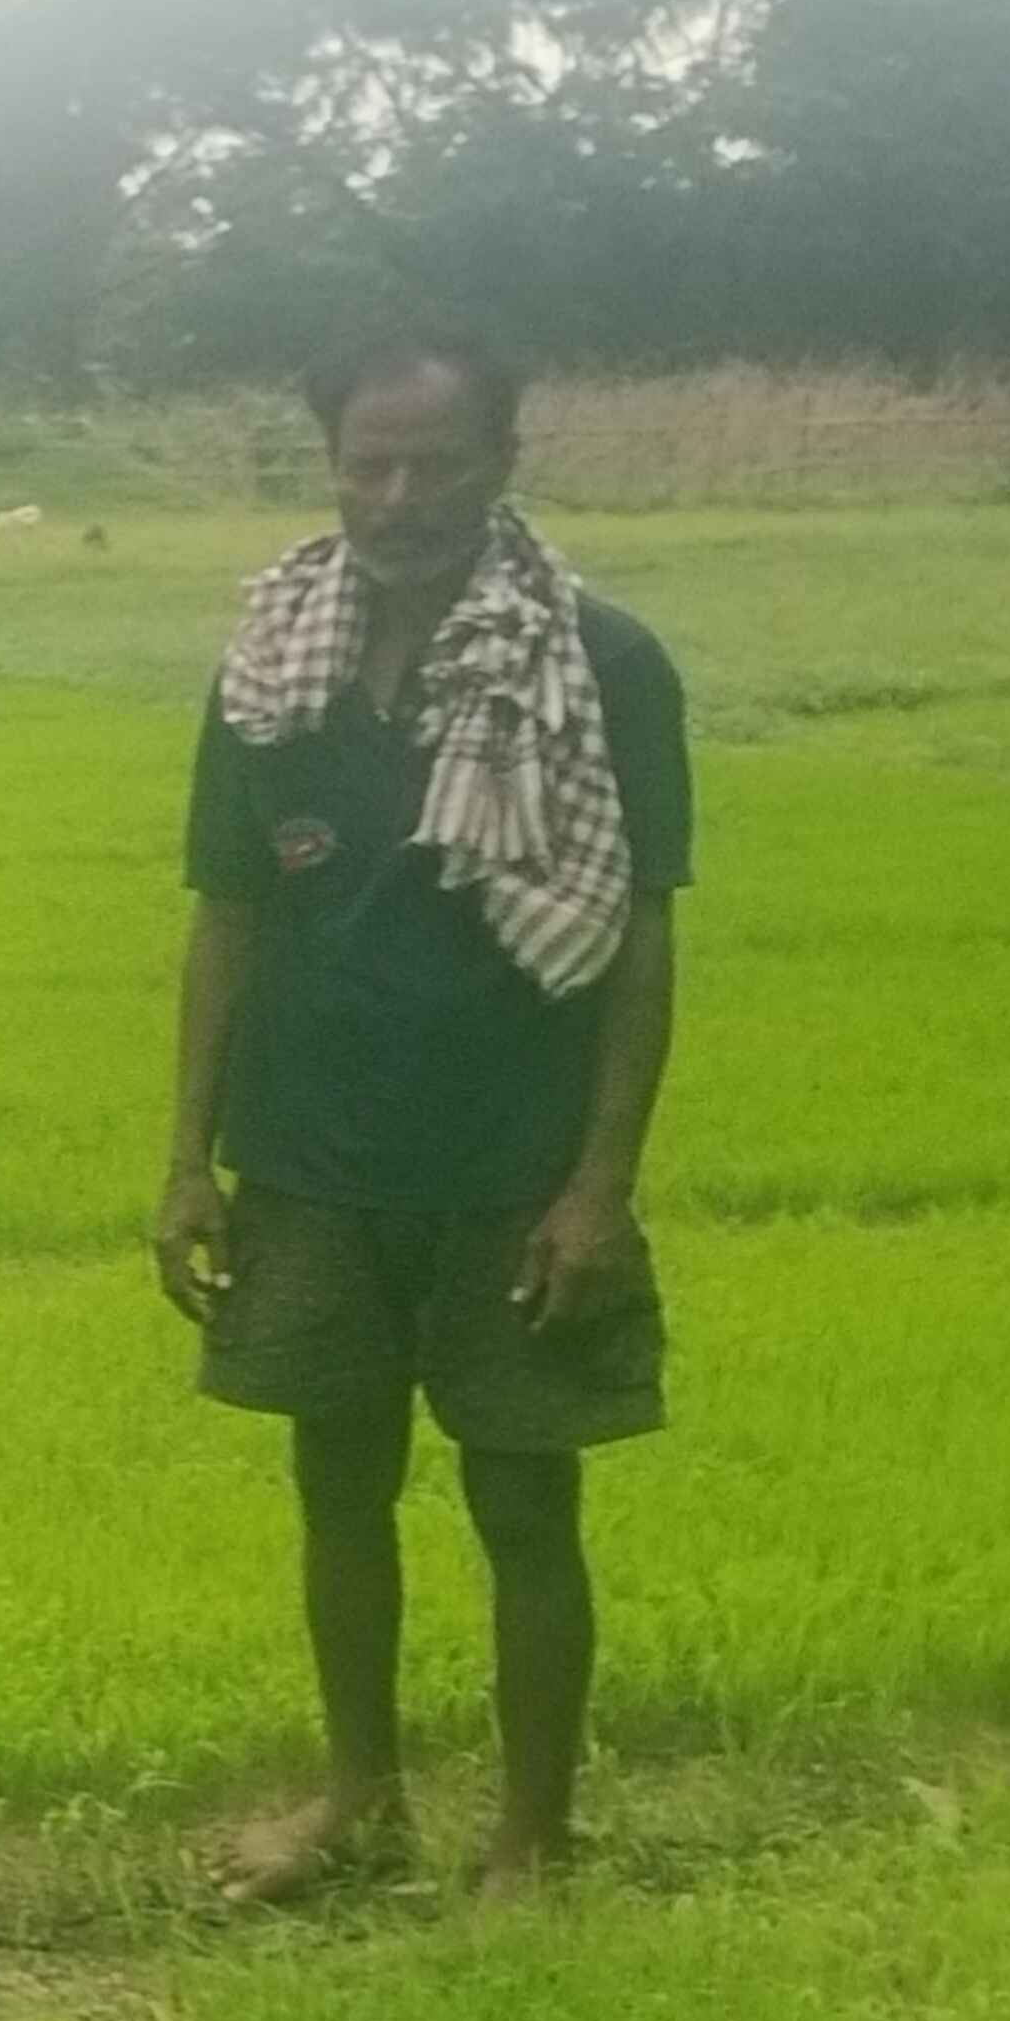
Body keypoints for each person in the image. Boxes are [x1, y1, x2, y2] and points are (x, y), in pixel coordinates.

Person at [154, 328, 691, 1903]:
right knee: (339, 1486)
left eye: (435, 466)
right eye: (367, 465)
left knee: (525, 1498)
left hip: (515, 1168)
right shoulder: (276, 664)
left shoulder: (601, 665)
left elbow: (639, 933)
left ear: (501, 465)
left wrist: (600, 1186)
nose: (397, 499)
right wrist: (188, 1161)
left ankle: (533, 1835)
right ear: (331, 468)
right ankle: (361, 1800)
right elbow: (227, 914)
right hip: (312, 1160)